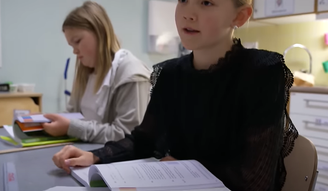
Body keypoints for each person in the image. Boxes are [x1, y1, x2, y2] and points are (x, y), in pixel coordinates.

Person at [52, 0, 298, 190]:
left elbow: (255, 180)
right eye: (182, 0)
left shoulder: (262, 72)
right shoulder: (170, 73)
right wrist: (95, 155)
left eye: (206, 2)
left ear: (239, 16)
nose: (187, 13)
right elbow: (143, 141)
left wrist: (187, 169)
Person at [42, 2, 151, 144]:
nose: (74, 51)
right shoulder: (84, 71)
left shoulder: (132, 74)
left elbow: (127, 135)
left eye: (77, 41)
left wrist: (71, 127)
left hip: (113, 161)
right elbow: (72, 115)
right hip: (85, 152)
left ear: (100, 32)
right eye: (71, 45)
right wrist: (42, 121)